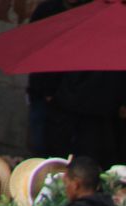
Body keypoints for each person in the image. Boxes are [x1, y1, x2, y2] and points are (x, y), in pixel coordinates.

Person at [23, 0, 87, 155]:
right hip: (42, 92)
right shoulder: (47, 10)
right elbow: (34, 48)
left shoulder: (87, 12)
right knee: (39, 145)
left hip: (70, 97)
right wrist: (46, 91)